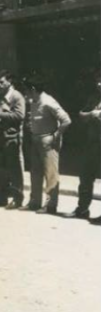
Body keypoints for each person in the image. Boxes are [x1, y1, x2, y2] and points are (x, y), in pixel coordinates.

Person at [23, 74, 71, 214]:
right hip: (35, 140)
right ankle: (34, 202)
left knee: (51, 174)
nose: (25, 92)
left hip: (48, 142)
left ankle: (50, 205)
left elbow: (66, 120)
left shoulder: (48, 101)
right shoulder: (33, 101)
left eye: (26, 89)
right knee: (35, 173)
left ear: (33, 89)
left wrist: (55, 136)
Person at [0, 70, 26, 209]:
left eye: (2, 82)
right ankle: (2, 196)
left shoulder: (16, 96)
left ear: (10, 81)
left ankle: (17, 198)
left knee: (14, 168)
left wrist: (0, 115)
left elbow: (20, 115)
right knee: (1, 167)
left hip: (11, 137)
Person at [73, 74, 101, 223]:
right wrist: (91, 114)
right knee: (85, 177)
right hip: (92, 144)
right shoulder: (93, 99)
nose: (99, 84)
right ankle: (82, 208)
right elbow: (81, 114)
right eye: (98, 81)